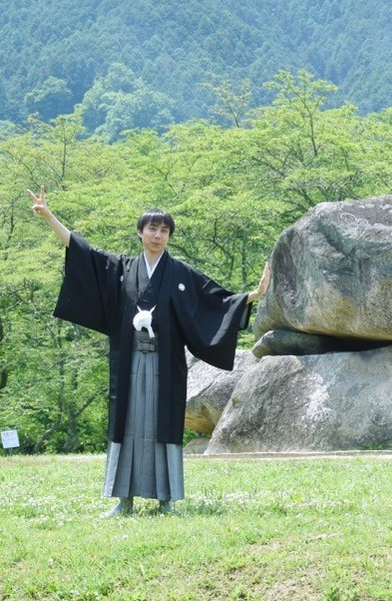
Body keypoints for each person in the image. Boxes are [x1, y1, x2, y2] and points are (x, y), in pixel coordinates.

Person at [29, 186, 270, 516]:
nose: (158, 235)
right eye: (152, 229)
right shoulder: (122, 268)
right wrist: (48, 216)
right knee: (128, 425)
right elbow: (82, 250)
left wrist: (253, 295)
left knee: (162, 425)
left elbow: (216, 301)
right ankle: (123, 500)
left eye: (164, 230)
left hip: (166, 365)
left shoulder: (181, 273)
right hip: (129, 362)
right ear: (140, 233)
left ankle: (165, 499)